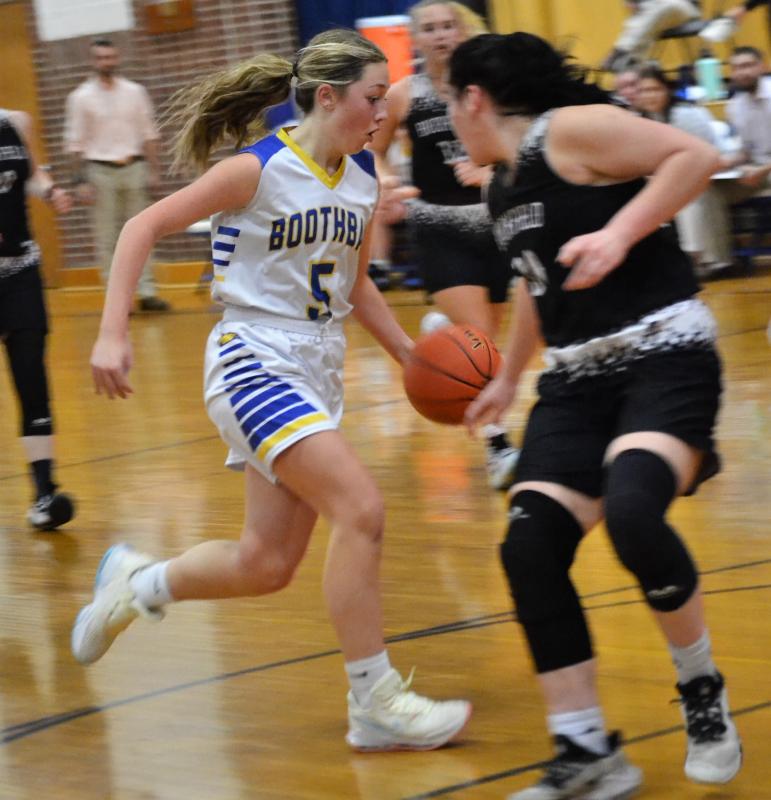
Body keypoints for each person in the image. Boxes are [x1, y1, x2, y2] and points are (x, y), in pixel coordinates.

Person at [70, 29, 471, 753]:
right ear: (328, 96)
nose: (383, 113)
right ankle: (374, 700)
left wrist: (413, 356)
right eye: (372, 98)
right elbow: (140, 226)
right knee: (362, 509)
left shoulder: (359, 176)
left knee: (266, 564)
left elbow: (352, 284)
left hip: (315, 365)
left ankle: (138, 582)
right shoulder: (256, 169)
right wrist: (111, 330)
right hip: (252, 356)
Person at [446, 32, 742, 797]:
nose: (451, 117)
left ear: (473, 98)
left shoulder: (570, 129)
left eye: (450, 102)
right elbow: (530, 286)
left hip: (662, 352)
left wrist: (619, 230)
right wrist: (507, 380)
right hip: (573, 380)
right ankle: (586, 750)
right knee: (528, 546)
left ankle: (700, 689)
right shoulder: (498, 186)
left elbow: (690, 158)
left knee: (636, 514)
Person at [370, 0, 519, 491]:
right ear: (415, 39)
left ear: (463, 29)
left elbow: (518, 142)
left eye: (448, 25)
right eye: (429, 28)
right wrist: (388, 179)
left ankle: (441, 329)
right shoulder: (404, 94)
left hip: (495, 220)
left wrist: (490, 169)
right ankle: (500, 445)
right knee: (480, 342)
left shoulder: (487, 87)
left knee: (487, 338)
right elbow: (374, 152)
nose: (440, 35)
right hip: (436, 223)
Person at [0, 109, 76, 531]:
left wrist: (51, 191)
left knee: (32, 380)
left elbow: (29, 175)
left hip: (20, 272)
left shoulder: (14, 123)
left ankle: (44, 492)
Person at [64, 38, 170, 312]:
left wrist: (154, 170)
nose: (106, 62)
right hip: (100, 171)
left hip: (134, 166)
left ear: (117, 58)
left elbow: (149, 133)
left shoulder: (135, 92)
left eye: (110, 57)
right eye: (100, 58)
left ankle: (147, 292)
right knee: (107, 237)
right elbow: (75, 143)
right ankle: (119, 301)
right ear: (93, 61)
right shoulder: (80, 97)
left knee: (142, 233)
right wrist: (80, 180)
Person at [635, 64, 734, 274]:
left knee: (691, 195)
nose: (649, 96)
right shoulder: (643, 121)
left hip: (714, 171)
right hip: (671, 179)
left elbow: (707, 154)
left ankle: (700, 257)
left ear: (667, 90)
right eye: (644, 91)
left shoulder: (685, 115)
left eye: (654, 89)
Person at [601, 0, 700, 72]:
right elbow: (631, 6)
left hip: (683, 8)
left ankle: (621, 52)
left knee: (665, 6)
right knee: (646, 17)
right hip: (651, 15)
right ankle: (631, 65)